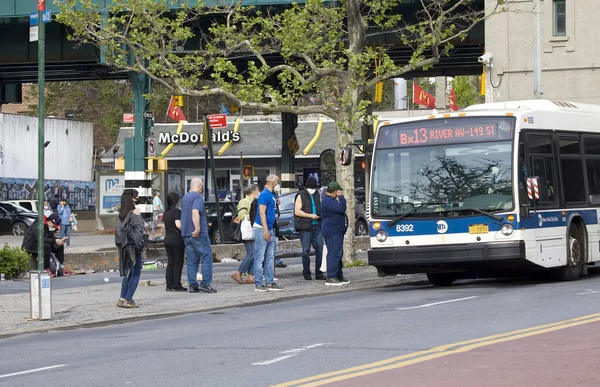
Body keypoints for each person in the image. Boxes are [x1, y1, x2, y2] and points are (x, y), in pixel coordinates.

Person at [181, 178, 217, 293]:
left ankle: (192, 284)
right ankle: (205, 283)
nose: (202, 189)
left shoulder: (185, 197)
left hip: (186, 233)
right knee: (206, 257)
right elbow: (195, 212)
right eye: (202, 186)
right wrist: (197, 228)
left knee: (192, 259)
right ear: (199, 186)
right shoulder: (197, 197)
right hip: (198, 233)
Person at [252, 174, 283, 292]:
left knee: (270, 257)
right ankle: (259, 283)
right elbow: (262, 212)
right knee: (260, 257)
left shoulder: (272, 195)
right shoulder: (264, 195)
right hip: (262, 228)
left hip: (270, 228)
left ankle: (270, 281)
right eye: (277, 182)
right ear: (272, 182)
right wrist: (265, 229)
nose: (278, 184)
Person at [115, 192, 145, 308]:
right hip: (134, 246)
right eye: (135, 197)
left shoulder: (121, 215)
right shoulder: (135, 213)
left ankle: (122, 298)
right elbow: (140, 229)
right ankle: (129, 299)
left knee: (127, 273)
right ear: (131, 199)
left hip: (124, 247)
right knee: (136, 273)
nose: (136, 199)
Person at [294, 176, 325, 280]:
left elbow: (320, 206)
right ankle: (306, 272)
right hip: (305, 226)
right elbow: (297, 211)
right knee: (305, 250)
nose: (314, 190)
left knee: (320, 248)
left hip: (317, 226)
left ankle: (318, 272)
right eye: (313, 188)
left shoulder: (317, 194)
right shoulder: (300, 195)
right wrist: (310, 215)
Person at [321, 182, 350, 286]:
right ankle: (331, 276)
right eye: (339, 191)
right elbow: (342, 208)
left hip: (337, 230)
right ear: (335, 192)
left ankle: (338, 275)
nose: (340, 192)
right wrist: (341, 197)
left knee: (338, 253)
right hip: (332, 231)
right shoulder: (328, 201)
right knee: (334, 254)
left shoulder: (330, 200)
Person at [231, 185, 259, 285]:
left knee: (255, 253)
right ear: (254, 192)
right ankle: (239, 273)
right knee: (251, 253)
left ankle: (251, 276)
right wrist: (252, 216)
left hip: (254, 229)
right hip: (248, 230)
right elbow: (241, 215)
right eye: (258, 191)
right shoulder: (244, 201)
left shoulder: (255, 201)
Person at [163, 192, 187, 292]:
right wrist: (185, 228)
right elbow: (178, 224)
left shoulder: (166, 212)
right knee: (178, 262)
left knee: (170, 261)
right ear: (177, 201)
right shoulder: (177, 211)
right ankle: (176, 284)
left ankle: (169, 284)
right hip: (176, 239)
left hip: (167, 238)